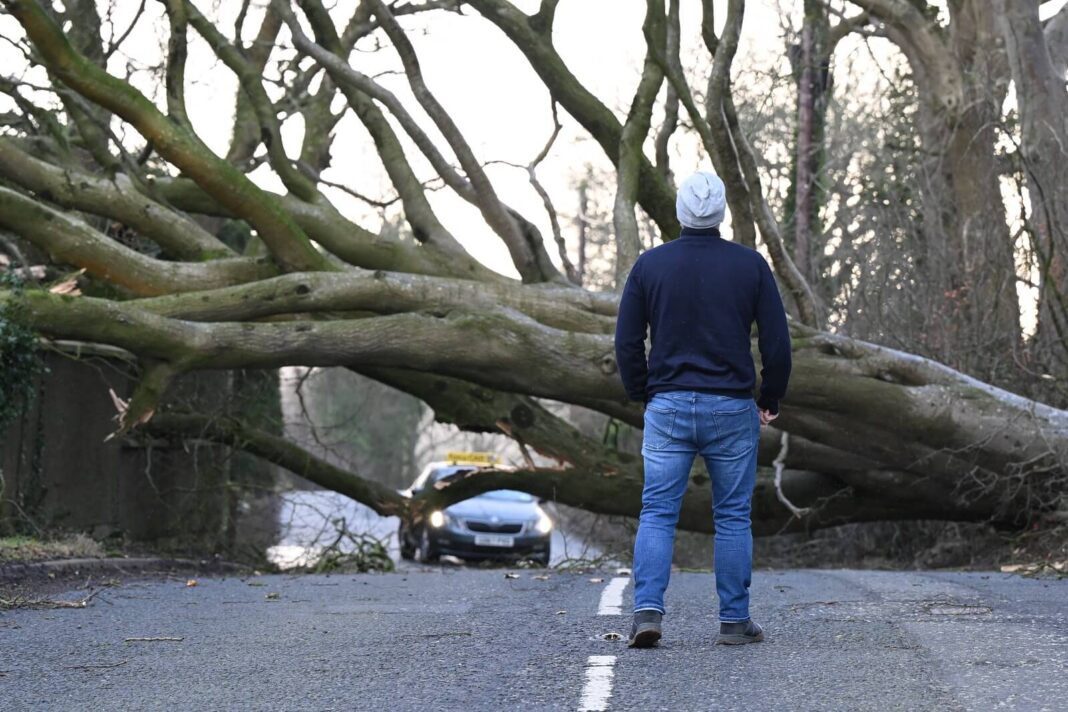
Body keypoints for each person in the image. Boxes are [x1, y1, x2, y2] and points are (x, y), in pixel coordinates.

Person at [614, 171, 792, 648]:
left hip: (668, 404)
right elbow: (776, 343)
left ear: (679, 212)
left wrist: (642, 391)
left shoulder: (650, 266)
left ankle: (647, 612)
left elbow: (627, 341)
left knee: (656, 512)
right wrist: (770, 397)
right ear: (720, 214)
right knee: (732, 515)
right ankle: (734, 620)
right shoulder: (750, 266)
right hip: (731, 409)